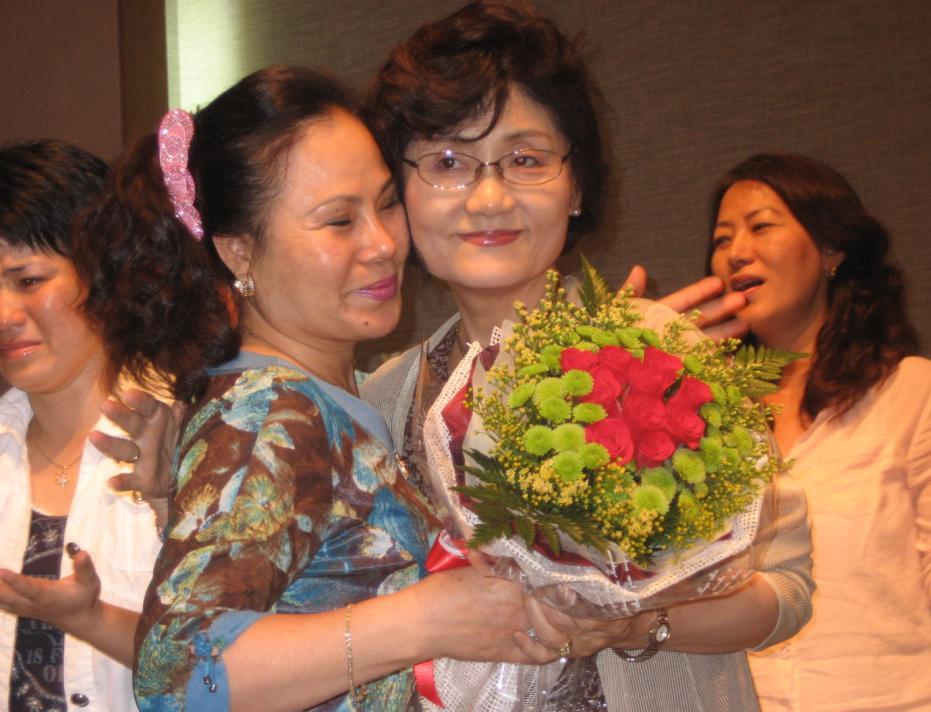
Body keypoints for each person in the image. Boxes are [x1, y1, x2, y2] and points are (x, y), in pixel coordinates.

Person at [361, 2, 814, 710]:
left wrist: (639, 623)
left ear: (575, 186)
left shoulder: (657, 355)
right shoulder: (381, 401)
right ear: (400, 196)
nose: (489, 197)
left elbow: (785, 591)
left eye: (526, 159)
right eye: (447, 162)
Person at [74, 65, 567, 712]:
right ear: (239, 252)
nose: (383, 244)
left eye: (386, 204)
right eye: (338, 221)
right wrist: (422, 621)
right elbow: (176, 677)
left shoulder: (329, 394)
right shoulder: (269, 411)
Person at [708, 152, 931, 710]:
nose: (736, 251)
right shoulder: (705, 416)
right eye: (722, 239)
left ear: (831, 251)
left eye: (760, 227)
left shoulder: (913, 394)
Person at [0, 139, 176, 712]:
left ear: (105, 272)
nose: (4, 315)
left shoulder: (188, 433)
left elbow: (235, 662)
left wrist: (94, 619)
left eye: (28, 280)